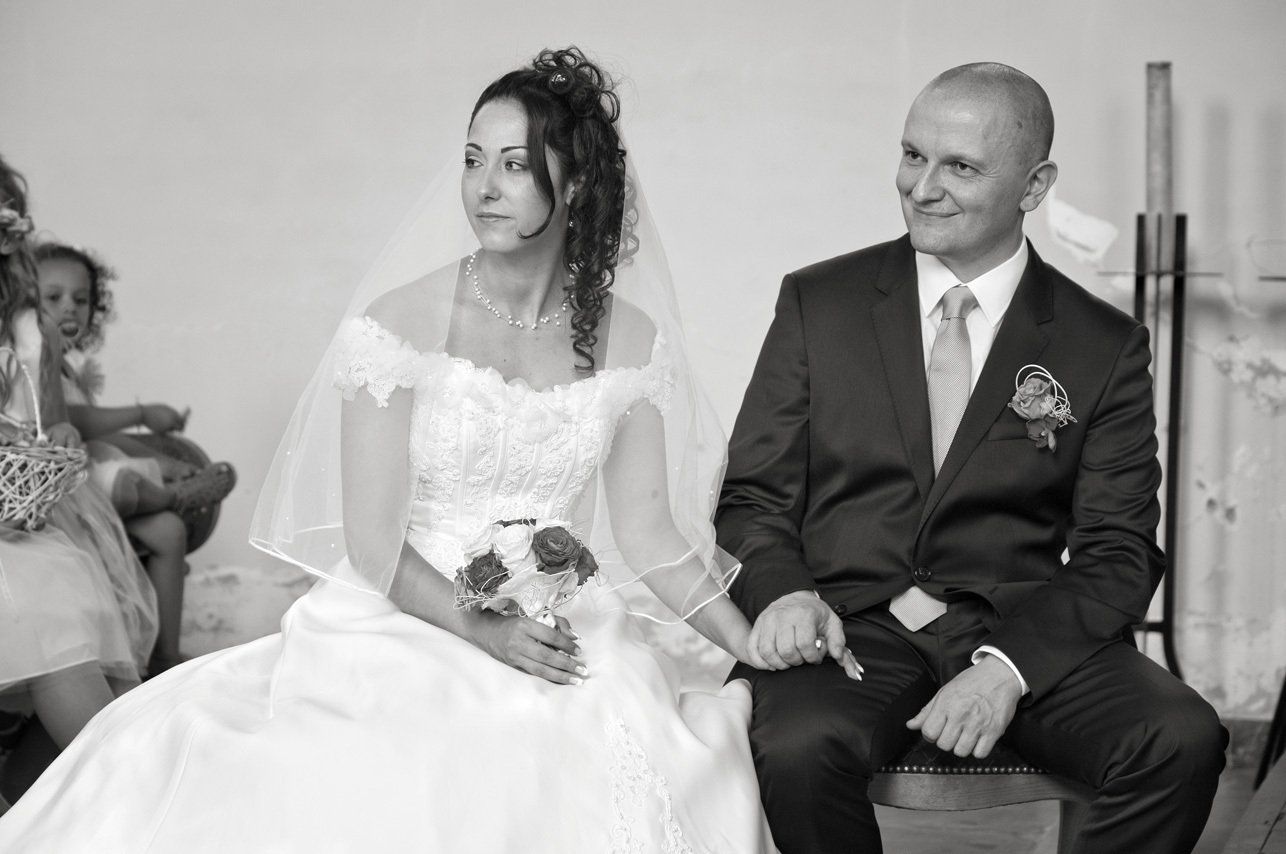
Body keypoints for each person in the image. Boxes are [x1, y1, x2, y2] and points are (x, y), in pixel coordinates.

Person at [0, 48, 793, 852]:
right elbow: (374, 541)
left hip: (561, 622)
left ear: (577, 182)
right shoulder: (398, 324)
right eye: (474, 160)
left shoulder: (630, 339)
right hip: (405, 613)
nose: (484, 187)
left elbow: (653, 534)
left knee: (610, 755)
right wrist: (485, 632)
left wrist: (742, 635)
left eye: (517, 167)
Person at [717, 62, 1227, 854]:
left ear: (1034, 184)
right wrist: (783, 596)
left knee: (1181, 739)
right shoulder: (820, 303)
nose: (922, 187)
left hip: (1023, 627)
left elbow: (1119, 552)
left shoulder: (1101, 344)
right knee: (792, 744)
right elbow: (753, 497)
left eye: (959, 166)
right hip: (851, 630)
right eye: (913, 155)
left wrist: (1008, 669)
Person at [0, 153, 157, 807]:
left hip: (24, 507)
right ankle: (132, 789)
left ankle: (137, 786)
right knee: (44, 605)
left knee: (67, 599)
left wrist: (54, 436)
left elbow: (53, 423)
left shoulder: (30, 329)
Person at [36, 241, 236, 674]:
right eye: (52, 298)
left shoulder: (67, 369)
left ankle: (164, 658)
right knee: (125, 484)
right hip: (51, 496)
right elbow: (80, 420)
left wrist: (161, 457)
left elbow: (104, 437)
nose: (70, 308)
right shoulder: (30, 363)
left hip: (84, 482)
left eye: (82, 299)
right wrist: (144, 412)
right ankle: (172, 495)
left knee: (167, 533)